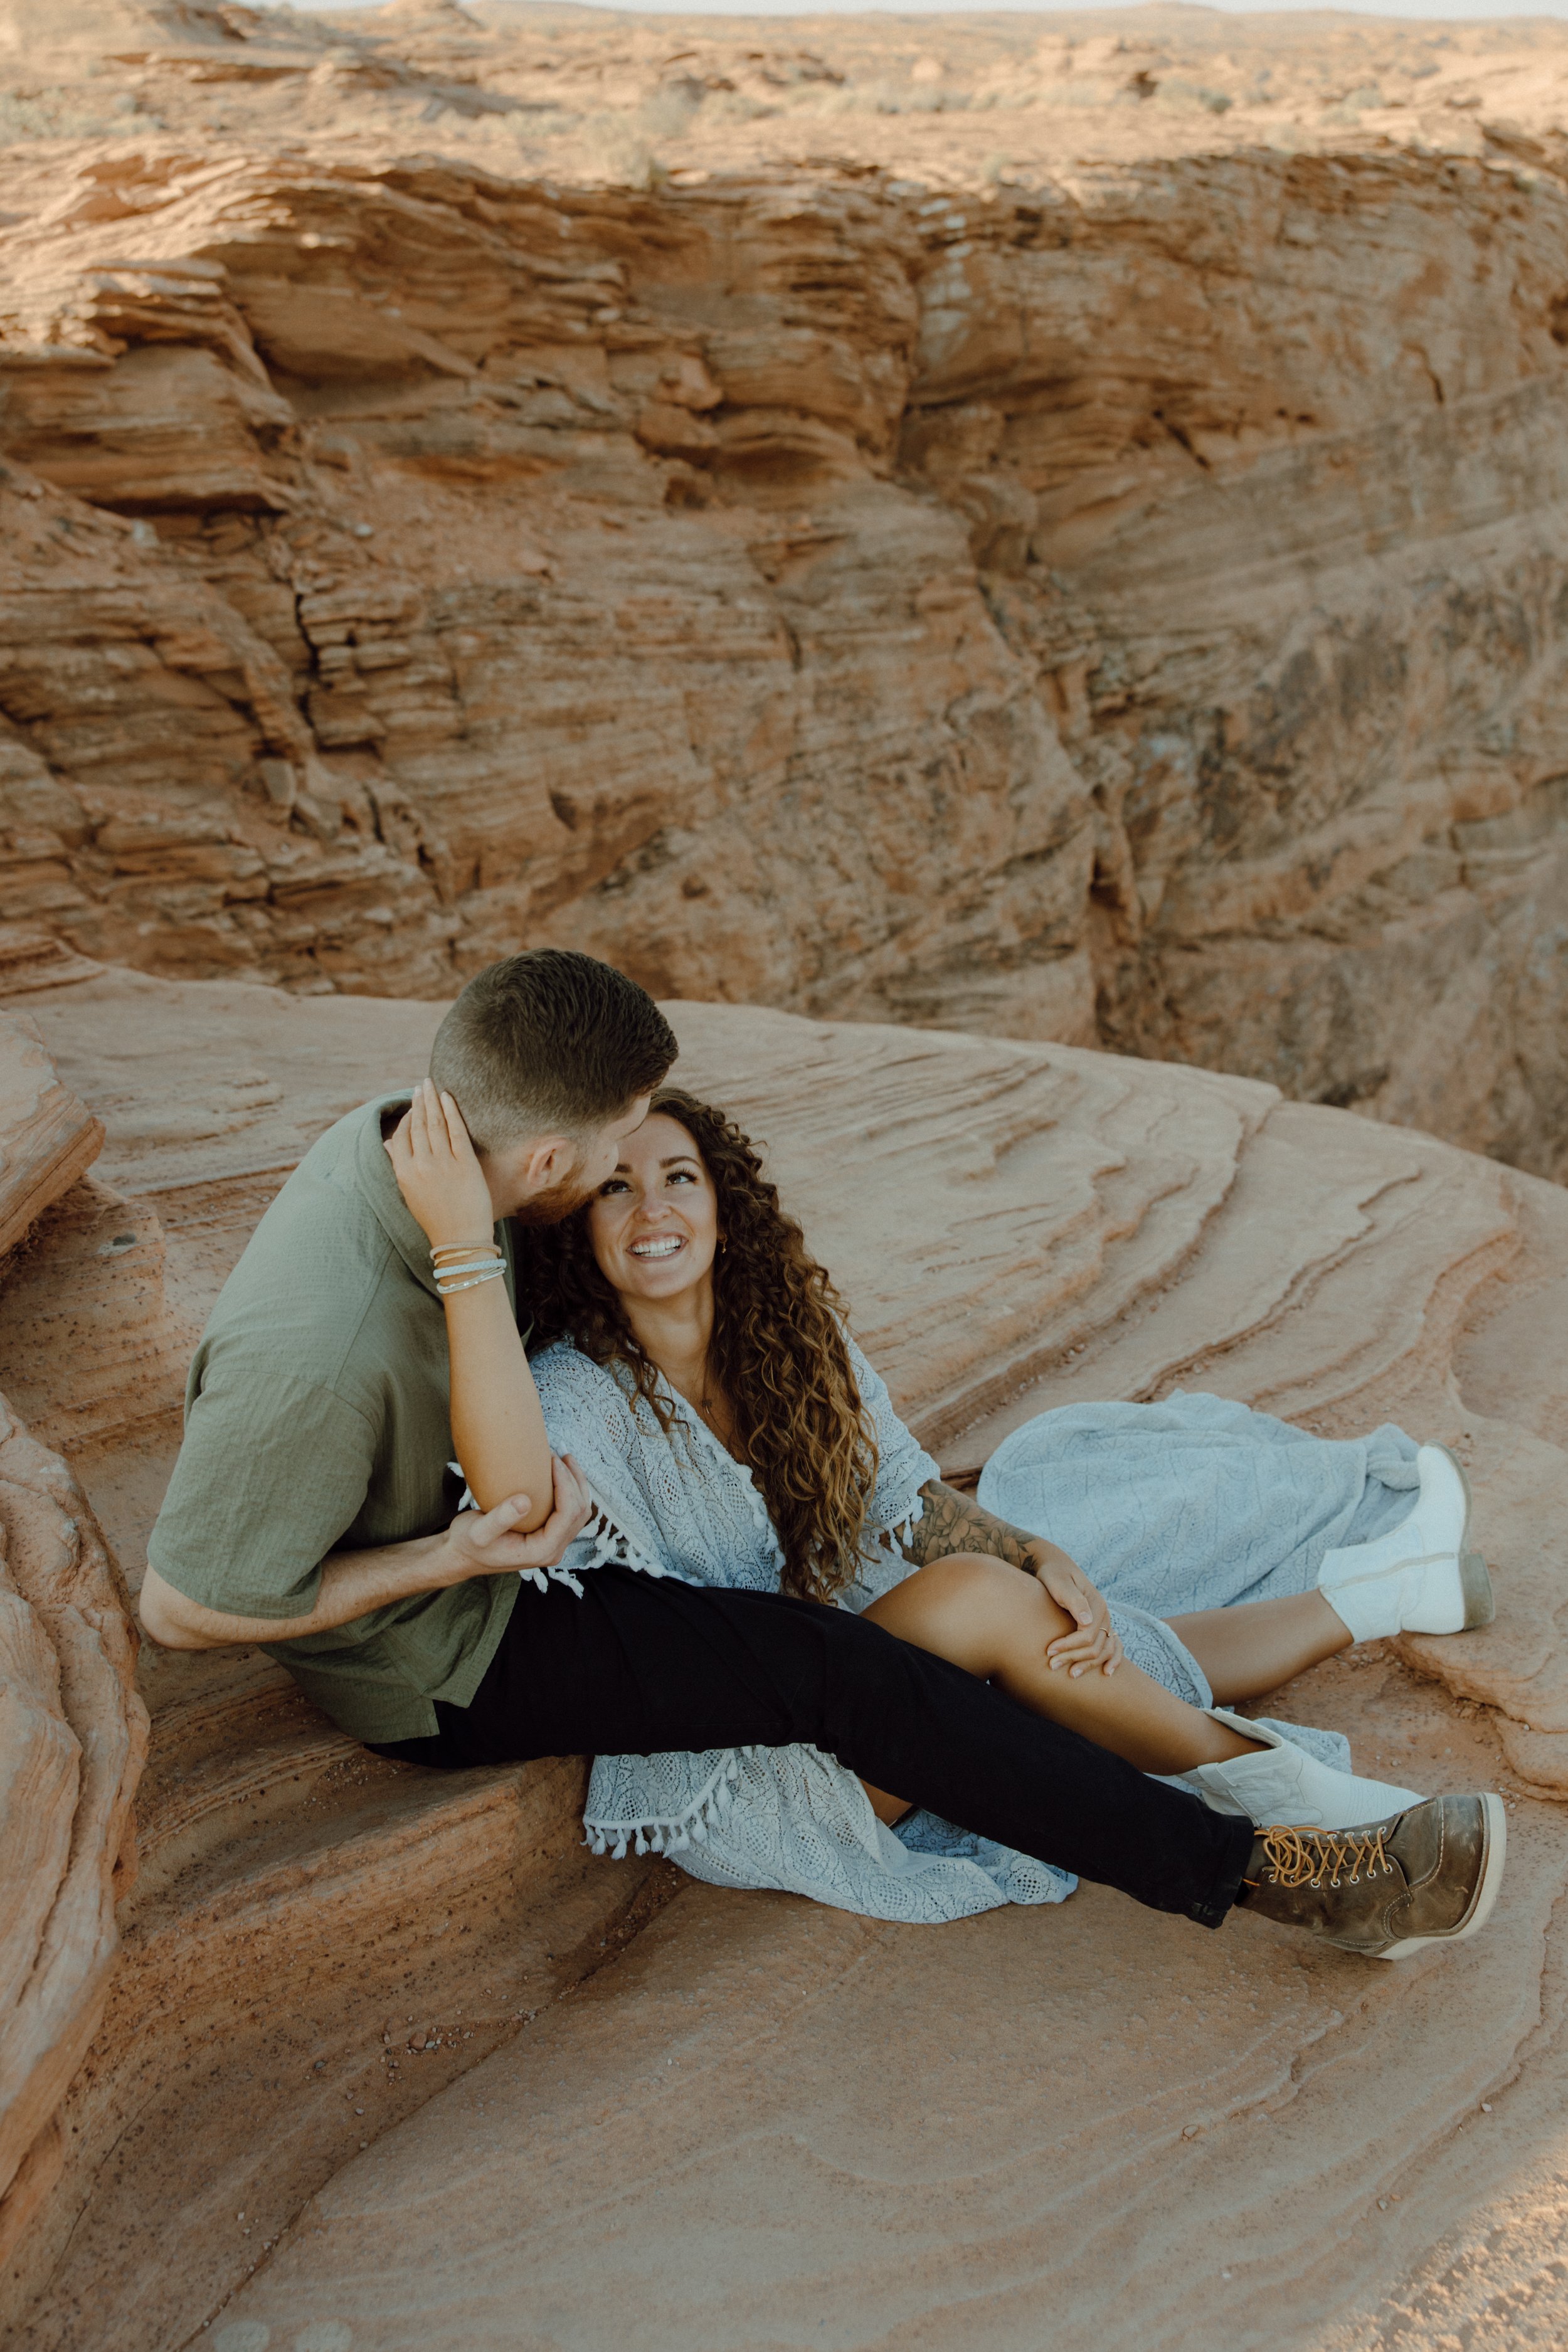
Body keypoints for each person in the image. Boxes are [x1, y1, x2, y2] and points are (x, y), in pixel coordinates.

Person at [139, 949, 1503, 1964]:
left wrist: (1022, 1555)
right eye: (615, 1157)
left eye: (670, 1164)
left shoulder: (445, 1141)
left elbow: (875, 1486)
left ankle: (1291, 1818)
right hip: (443, 1661)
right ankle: (1271, 1869)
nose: (642, 1178)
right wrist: (440, 1551)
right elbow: (188, 1605)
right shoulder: (324, 1340)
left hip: (508, 1561)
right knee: (854, 1674)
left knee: (877, 1659)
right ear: (552, 1157)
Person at [388, 1075, 1505, 1935]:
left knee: (1077, 1627)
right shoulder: (579, 1393)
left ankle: (1372, 1599)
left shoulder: (789, 1340)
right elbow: (516, 1493)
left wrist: (1036, 1551)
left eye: (678, 1176)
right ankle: (1313, 1815)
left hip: (855, 1673)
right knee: (990, 1609)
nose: (651, 1209)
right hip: (749, 1753)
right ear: (577, 1227)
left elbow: (898, 1498)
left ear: (723, 1203)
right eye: (614, 1187)